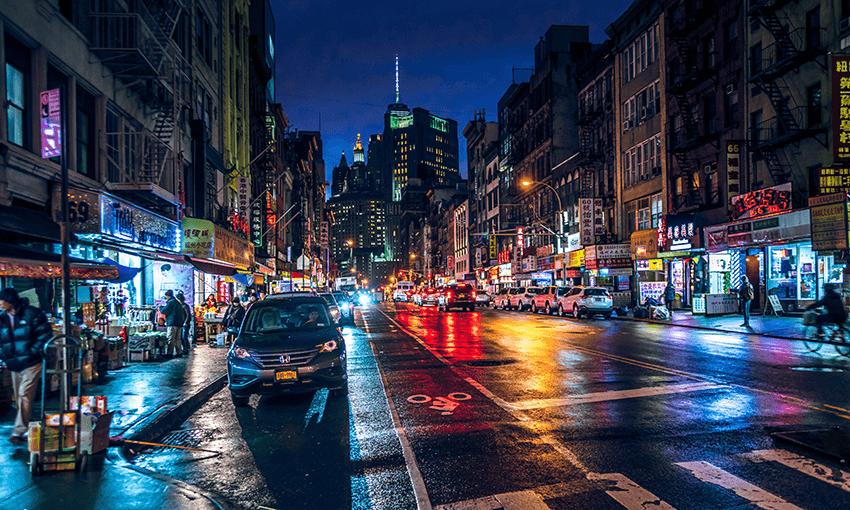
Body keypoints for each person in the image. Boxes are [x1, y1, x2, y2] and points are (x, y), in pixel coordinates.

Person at [0, 288, 52, 445]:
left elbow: (45, 334)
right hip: (14, 364)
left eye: (1, 300)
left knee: (24, 394)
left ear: (9, 300)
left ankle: (19, 429)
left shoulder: (32, 314)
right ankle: (30, 426)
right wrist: (4, 355)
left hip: (31, 362)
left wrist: (32, 352)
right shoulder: (2, 319)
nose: (0, 304)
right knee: (21, 397)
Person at [159, 290, 185, 358]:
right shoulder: (177, 302)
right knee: (178, 339)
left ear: (168, 296)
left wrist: (160, 307)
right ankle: (179, 352)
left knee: (171, 338)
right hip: (179, 323)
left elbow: (165, 311)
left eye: (166, 297)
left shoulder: (171, 302)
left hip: (172, 323)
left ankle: (169, 354)